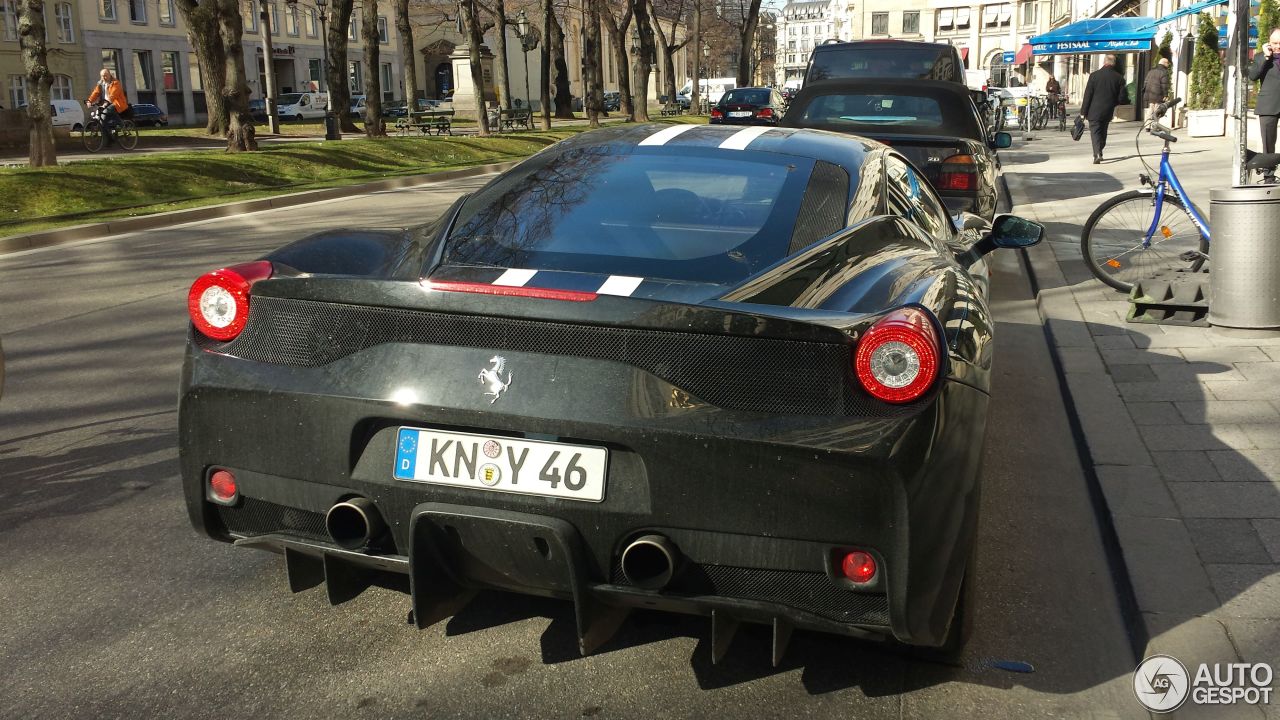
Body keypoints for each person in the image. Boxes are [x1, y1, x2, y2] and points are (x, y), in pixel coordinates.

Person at [1080, 54, 1128, 164]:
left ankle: (1097, 153)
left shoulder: (1094, 76)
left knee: (1095, 132)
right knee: (1103, 132)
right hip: (1108, 110)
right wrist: (1114, 102)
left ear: (1104, 62)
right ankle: (1099, 150)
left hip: (1093, 110)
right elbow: (1122, 98)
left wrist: (1083, 112)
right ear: (1114, 63)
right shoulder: (1119, 78)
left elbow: (1088, 95)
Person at [1251, 29, 1280, 154]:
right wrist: (1266, 56)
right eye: (1275, 43)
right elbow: (1252, 76)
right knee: (1268, 143)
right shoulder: (1260, 57)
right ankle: (1269, 172)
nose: (1278, 46)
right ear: (1269, 43)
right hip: (1268, 106)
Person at [87, 68, 131, 141]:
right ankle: (109, 138)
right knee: (101, 121)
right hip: (105, 103)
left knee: (107, 111)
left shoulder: (115, 83)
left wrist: (106, 102)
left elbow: (113, 95)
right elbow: (95, 93)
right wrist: (89, 101)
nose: (103, 77)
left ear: (110, 75)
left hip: (117, 103)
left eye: (105, 75)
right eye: (102, 76)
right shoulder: (100, 84)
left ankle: (122, 125)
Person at [1144, 57, 1172, 123]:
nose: (1168, 65)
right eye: (1167, 63)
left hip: (1150, 93)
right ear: (1164, 63)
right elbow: (1164, 85)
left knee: (1151, 108)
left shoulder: (1151, 71)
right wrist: (1165, 95)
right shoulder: (1163, 72)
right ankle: (1155, 125)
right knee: (1157, 109)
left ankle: (1147, 125)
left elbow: (1145, 82)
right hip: (1158, 94)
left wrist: (1145, 92)